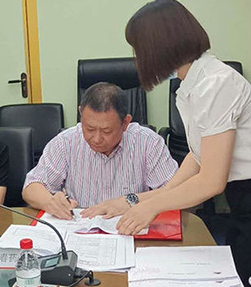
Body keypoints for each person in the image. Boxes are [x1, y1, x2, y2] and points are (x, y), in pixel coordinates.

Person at [117, 0, 251, 287]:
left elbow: (211, 180)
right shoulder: (191, 84)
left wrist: (152, 206)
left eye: (138, 49)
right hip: (249, 199)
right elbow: (198, 155)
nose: (137, 58)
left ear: (157, 46)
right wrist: (148, 198)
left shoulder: (216, 83)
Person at [22, 82, 178, 220]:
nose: (96, 139)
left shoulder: (148, 143)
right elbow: (31, 187)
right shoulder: (66, 142)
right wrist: (51, 202)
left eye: (106, 131)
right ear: (81, 114)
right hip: (80, 229)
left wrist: (130, 201)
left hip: (131, 228)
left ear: (125, 123)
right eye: (89, 129)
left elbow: (175, 191)